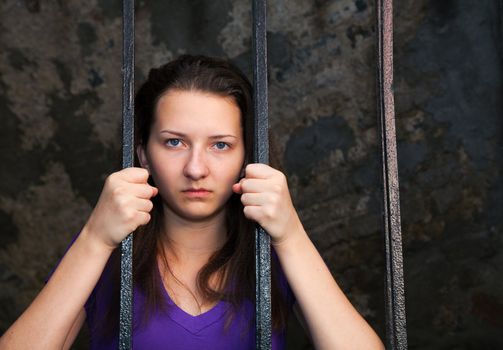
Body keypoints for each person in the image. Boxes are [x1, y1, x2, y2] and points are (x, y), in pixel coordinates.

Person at [0, 55, 384, 350]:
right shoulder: (107, 252)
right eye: (174, 142)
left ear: (247, 155)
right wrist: (95, 240)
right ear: (144, 155)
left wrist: (290, 236)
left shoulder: (274, 256)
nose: (196, 168)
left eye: (220, 145)